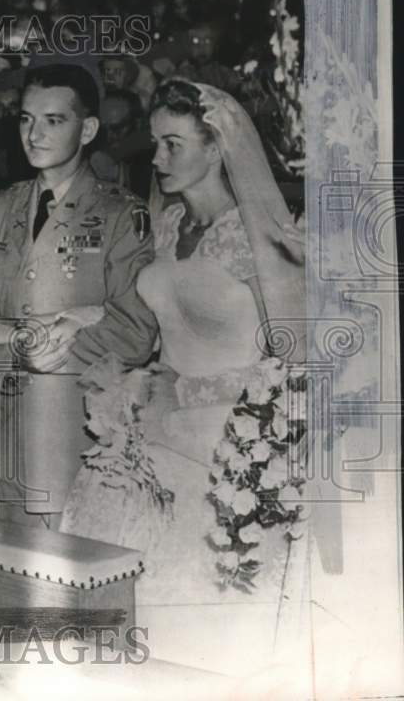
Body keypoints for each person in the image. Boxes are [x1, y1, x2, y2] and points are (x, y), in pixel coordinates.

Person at [59, 79, 308, 675]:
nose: (159, 158)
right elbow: (160, 324)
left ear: (218, 149)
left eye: (174, 144)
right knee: (119, 611)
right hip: (158, 430)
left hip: (235, 444)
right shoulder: (166, 225)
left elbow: (293, 358)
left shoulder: (259, 237)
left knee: (202, 630)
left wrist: (180, 392)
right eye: (155, 144)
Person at [0, 63, 158, 527]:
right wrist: (37, 339)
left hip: (83, 443)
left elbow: (136, 330)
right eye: (26, 119)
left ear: (87, 130)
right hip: (12, 442)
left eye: (53, 120)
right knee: (16, 585)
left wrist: (60, 345)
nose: (34, 134)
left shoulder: (120, 214)